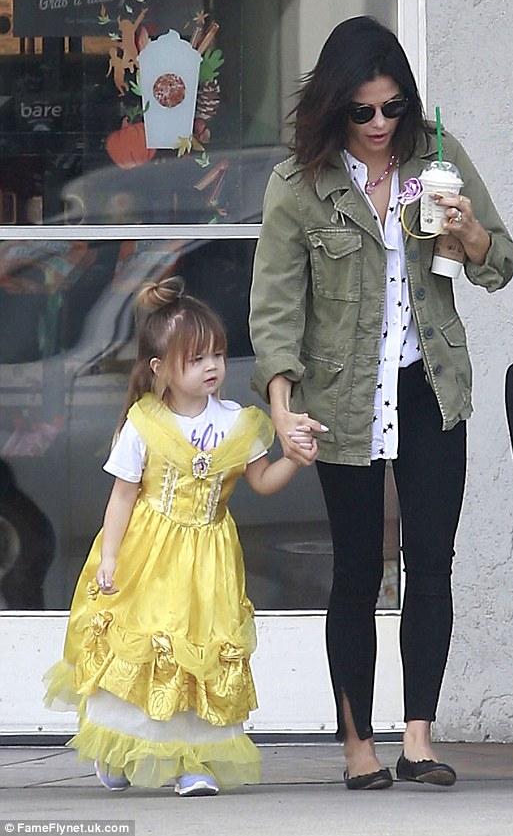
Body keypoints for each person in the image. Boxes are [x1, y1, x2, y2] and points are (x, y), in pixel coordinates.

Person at [249, 15, 513, 790]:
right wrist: (279, 405)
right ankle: (358, 743)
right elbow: (274, 307)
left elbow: (497, 263)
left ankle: (420, 738)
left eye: (392, 108)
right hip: (340, 393)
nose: (378, 125)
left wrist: (465, 232)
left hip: (430, 384)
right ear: (336, 107)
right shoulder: (298, 185)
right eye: (361, 111)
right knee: (358, 570)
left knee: (432, 562)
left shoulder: (437, 157)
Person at [44, 277, 316, 796]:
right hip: (149, 556)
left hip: (210, 559)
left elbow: (260, 482)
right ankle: (118, 746)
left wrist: (295, 460)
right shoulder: (143, 425)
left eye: (217, 354)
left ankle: (192, 760)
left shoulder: (238, 422)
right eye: (196, 359)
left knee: (200, 652)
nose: (212, 366)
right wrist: (109, 557)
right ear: (160, 368)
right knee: (147, 649)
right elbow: (123, 496)